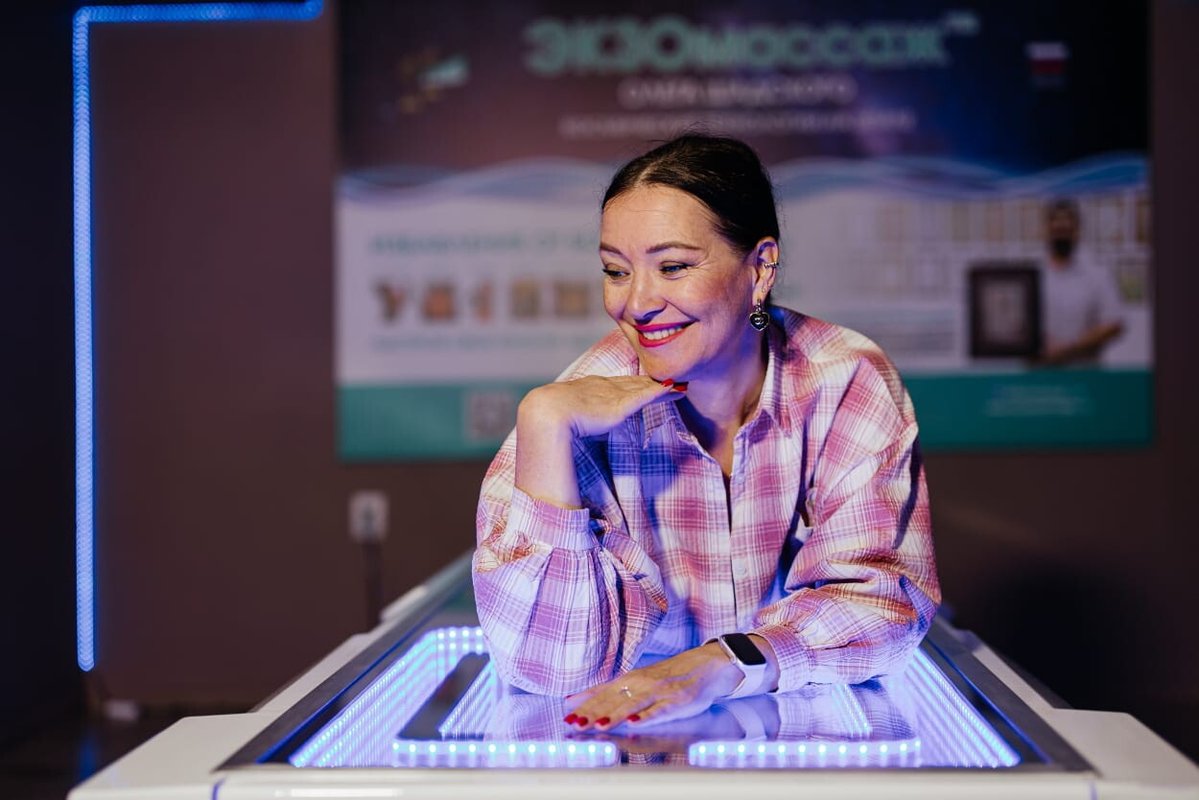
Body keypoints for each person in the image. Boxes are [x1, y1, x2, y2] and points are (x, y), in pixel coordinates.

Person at [473, 134, 939, 734]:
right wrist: (541, 421)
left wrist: (724, 663)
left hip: (798, 745)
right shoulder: (569, 410)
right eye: (615, 271)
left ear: (760, 267)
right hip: (634, 748)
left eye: (672, 267)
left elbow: (882, 604)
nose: (637, 303)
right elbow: (548, 670)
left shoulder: (844, 377)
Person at [1036, 198, 1125, 366]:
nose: (1061, 234)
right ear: (1046, 230)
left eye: (1066, 229)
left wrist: (1070, 347)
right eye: (1056, 229)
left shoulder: (1097, 275)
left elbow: (1114, 323)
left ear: (1077, 230)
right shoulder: (1034, 275)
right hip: (1040, 374)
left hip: (1084, 374)